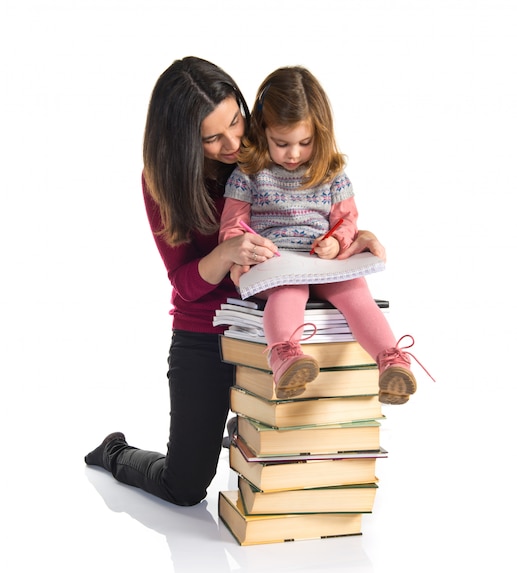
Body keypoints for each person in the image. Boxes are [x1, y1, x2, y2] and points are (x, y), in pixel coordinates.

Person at [84, 57, 388, 507]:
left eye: (237, 121)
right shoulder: (161, 183)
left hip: (273, 322)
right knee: (184, 487)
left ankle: (243, 424)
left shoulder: (268, 149)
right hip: (207, 331)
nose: (233, 143)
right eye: (212, 138)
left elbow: (319, 219)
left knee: (301, 438)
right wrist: (224, 253)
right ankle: (115, 451)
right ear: (184, 142)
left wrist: (350, 238)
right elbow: (184, 284)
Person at [220, 66, 432, 404]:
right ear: (263, 131)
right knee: (290, 292)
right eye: (281, 143)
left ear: (321, 133)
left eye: (305, 143)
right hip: (275, 261)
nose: (293, 154)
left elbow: (347, 219)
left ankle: (391, 361)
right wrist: (242, 253)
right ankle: (285, 356)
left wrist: (336, 240)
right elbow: (232, 225)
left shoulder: (331, 172)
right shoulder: (249, 173)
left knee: (355, 292)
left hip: (321, 260)